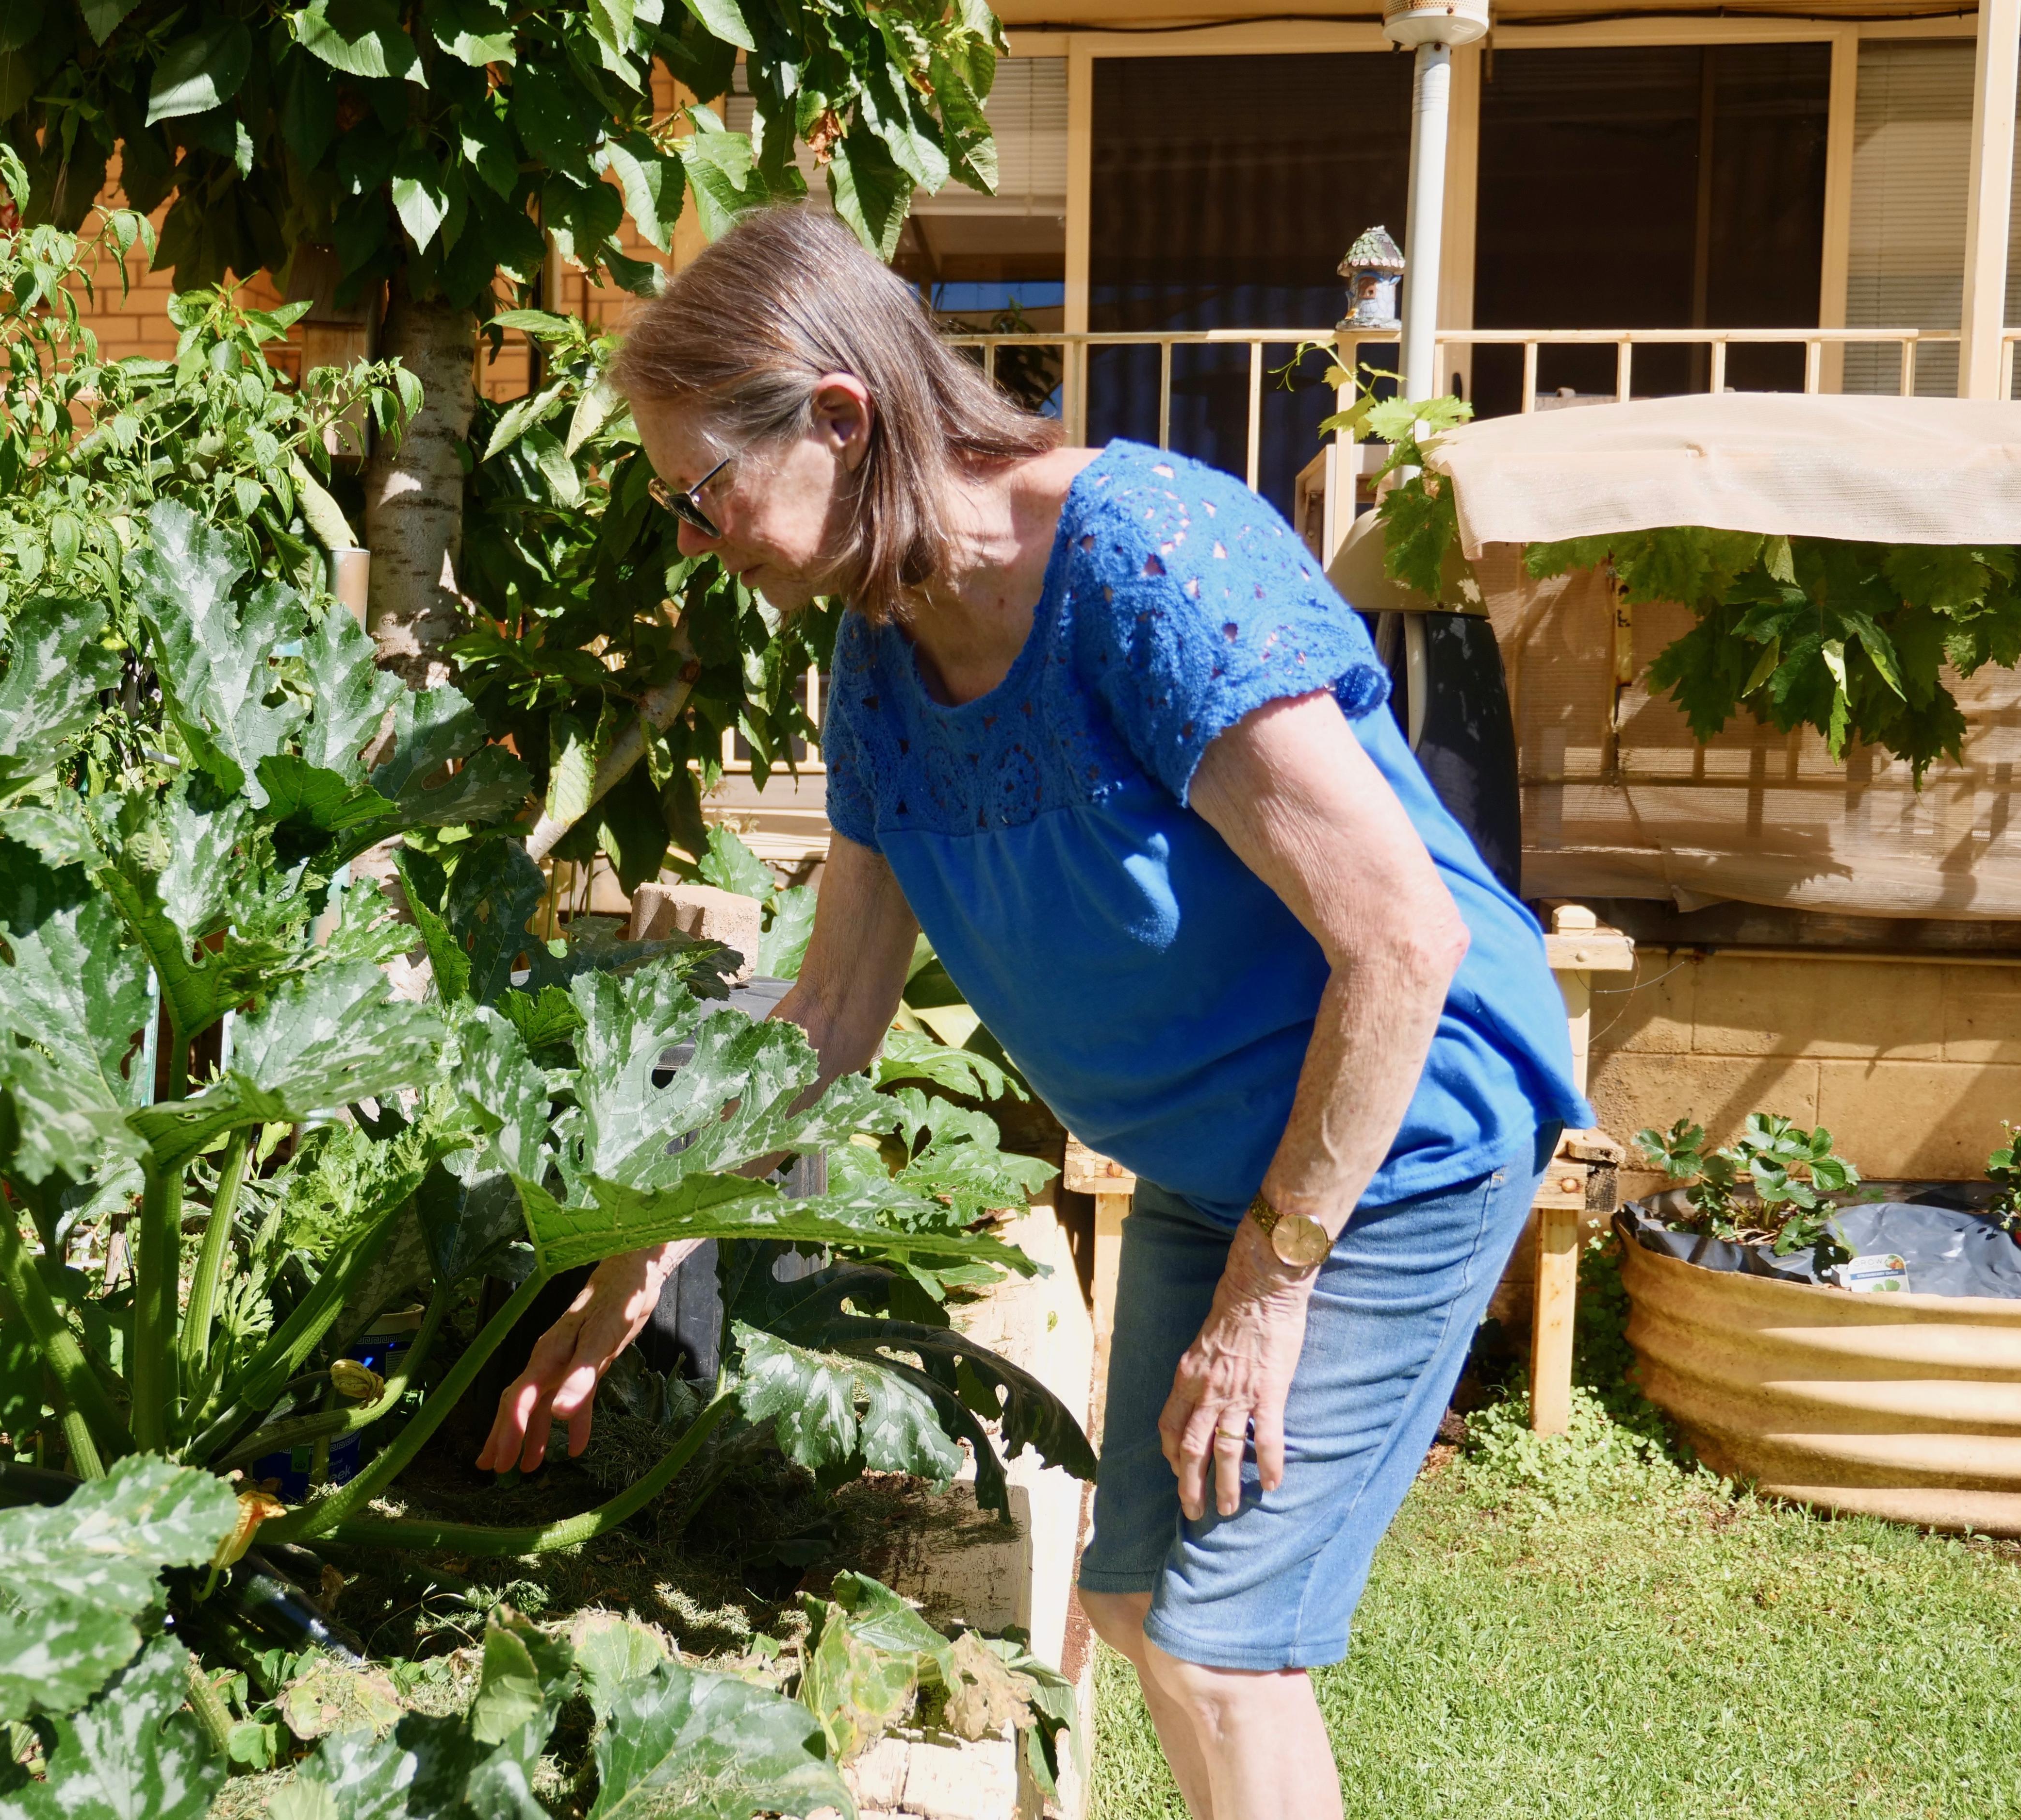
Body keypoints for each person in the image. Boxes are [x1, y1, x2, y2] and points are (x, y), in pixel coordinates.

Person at [476, 206, 1589, 1820]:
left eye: (708, 494)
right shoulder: (880, 662)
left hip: (1390, 1145)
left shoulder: (1141, 560)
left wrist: (1271, 1294)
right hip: (1225, 1168)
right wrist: (650, 1244)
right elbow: (836, 1009)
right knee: (1137, 1606)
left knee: (1221, 1645)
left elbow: (1402, 940)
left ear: (841, 419)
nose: (697, 541)